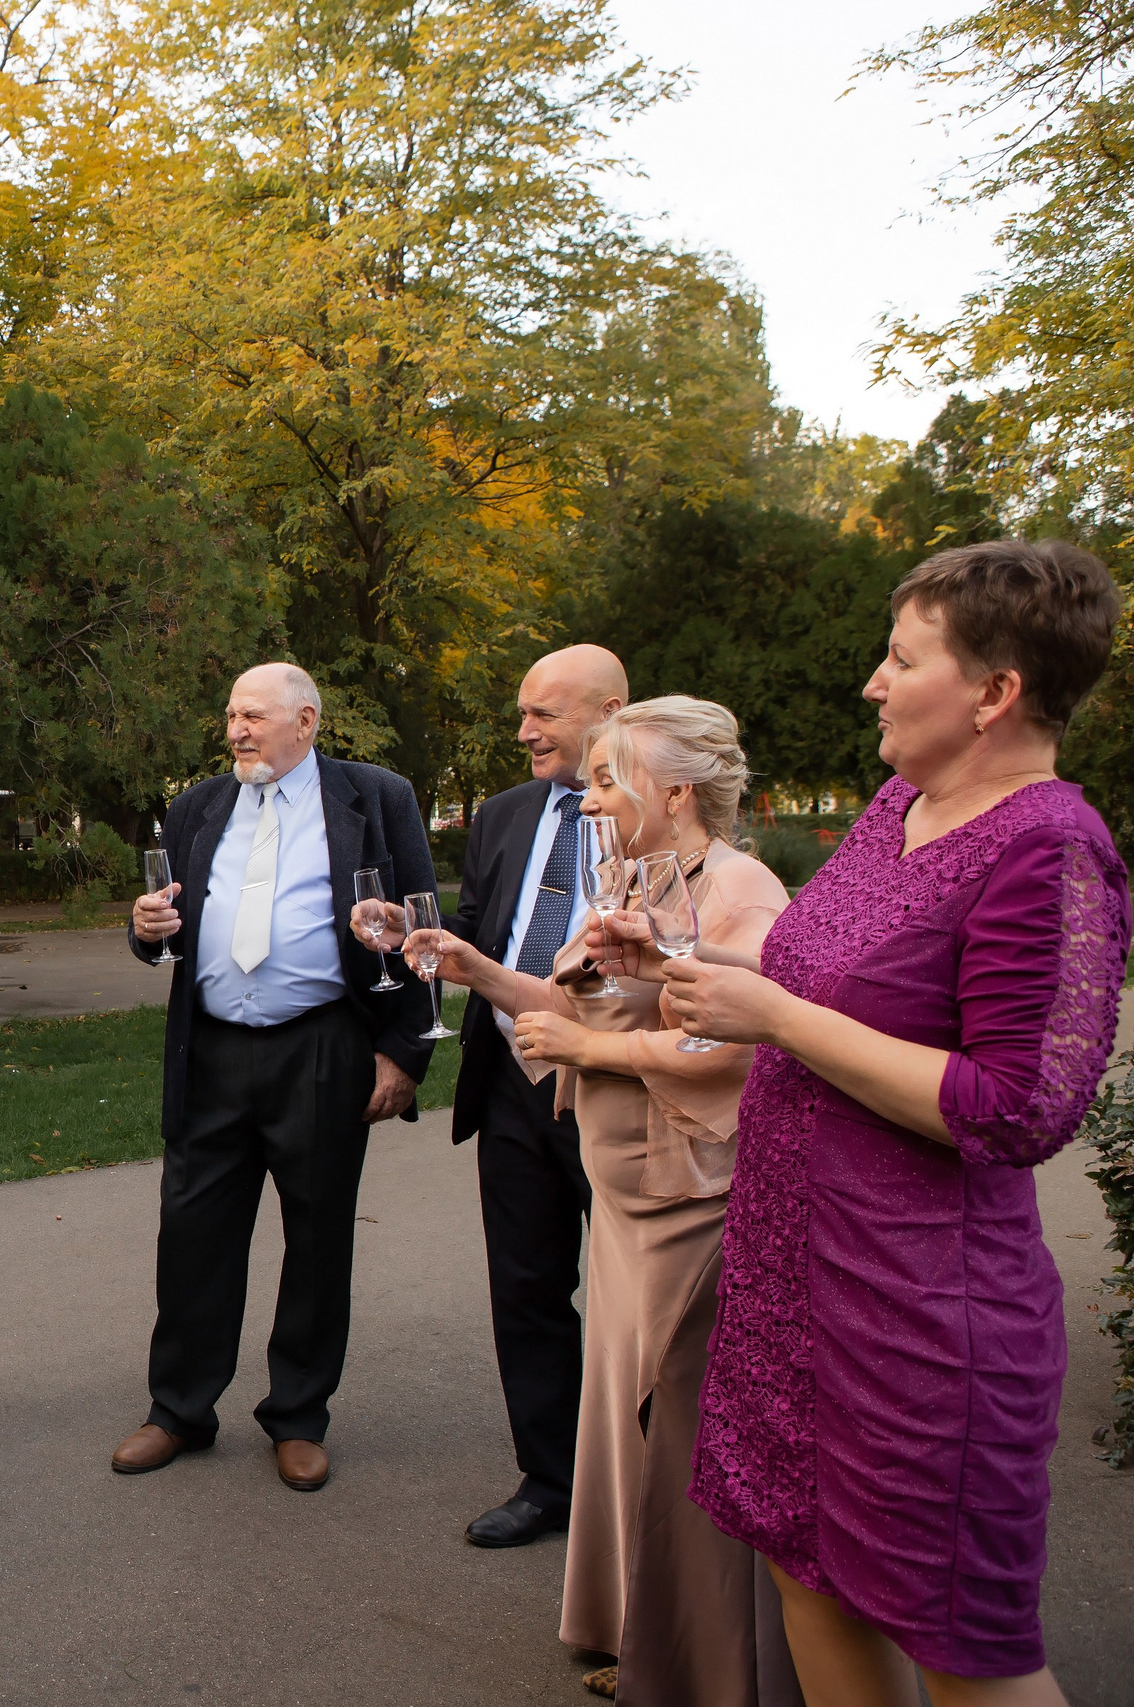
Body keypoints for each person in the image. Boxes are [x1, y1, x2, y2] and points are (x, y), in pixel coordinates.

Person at [631, 542, 1127, 1706]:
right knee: (812, 1584)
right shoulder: (898, 804)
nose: (871, 681)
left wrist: (780, 1021)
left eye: (901, 660)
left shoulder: (1051, 849)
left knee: (967, 1658)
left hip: (919, 1327)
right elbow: (830, 980)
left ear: (993, 693)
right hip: (791, 1290)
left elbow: (1020, 1109)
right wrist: (690, 963)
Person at [403, 697, 797, 1705]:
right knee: (624, 1430)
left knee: (677, 1431)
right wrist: (477, 970)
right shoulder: (622, 878)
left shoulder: (742, 887)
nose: (590, 798)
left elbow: (740, 1037)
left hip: (690, 1201)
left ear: (675, 791)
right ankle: (639, 1628)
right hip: (624, 1203)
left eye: (611, 779)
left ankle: (703, 1662)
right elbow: (565, 1002)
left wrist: (595, 1051)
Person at [113, 663, 436, 1491]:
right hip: (212, 1048)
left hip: (322, 1046)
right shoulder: (198, 806)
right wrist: (144, 929)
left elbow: (422, 927)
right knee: (191, 1236)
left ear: (308, 721)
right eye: (230, 715)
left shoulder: (376, 797)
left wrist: (404, 1053)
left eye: (253, 715)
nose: (236, 730)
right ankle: (178, 1409)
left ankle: (298, 1414)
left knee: (319, 1237)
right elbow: (167, 931)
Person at [437, 644, 629, 1547]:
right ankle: (550, 1480)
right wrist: (420, 935)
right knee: (525, 1287)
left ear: (610, 709)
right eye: (523, 712)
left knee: (641, 1298)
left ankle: (644, 1488)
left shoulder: (651, 805)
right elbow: (479, 928)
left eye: (543, 714)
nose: (524, 731)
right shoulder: (506, 814)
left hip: (621, 1086)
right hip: (513, 1081)